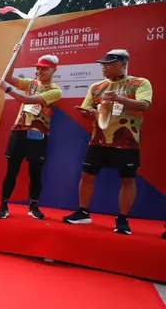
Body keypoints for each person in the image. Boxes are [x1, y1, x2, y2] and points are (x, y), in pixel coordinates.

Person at [64, 50, 152, 235]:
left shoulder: (139, 83)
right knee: (87, 175)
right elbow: (86, 109)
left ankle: (122, 219)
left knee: (128, 180)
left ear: (124, 64)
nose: (104, 67)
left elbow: (145, 105)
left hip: (127, 140)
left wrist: (120, 99)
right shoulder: (97, 87)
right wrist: (88, 112)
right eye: (103, 64)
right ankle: (83, 213)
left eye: (109, 63)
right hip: (98, 140)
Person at [0, 53, 62, 220]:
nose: (39, 71)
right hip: (19, 130)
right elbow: (9, 77)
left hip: (38, 134)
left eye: (44, 69)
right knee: (12, 170)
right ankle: (3, 205)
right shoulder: (30, 83)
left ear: (54, 70)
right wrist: (15, 55)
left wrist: (8, 89)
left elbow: (28, 100)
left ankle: (33, 206)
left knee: (35, 171)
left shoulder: (55, 91)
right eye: (38, 68)